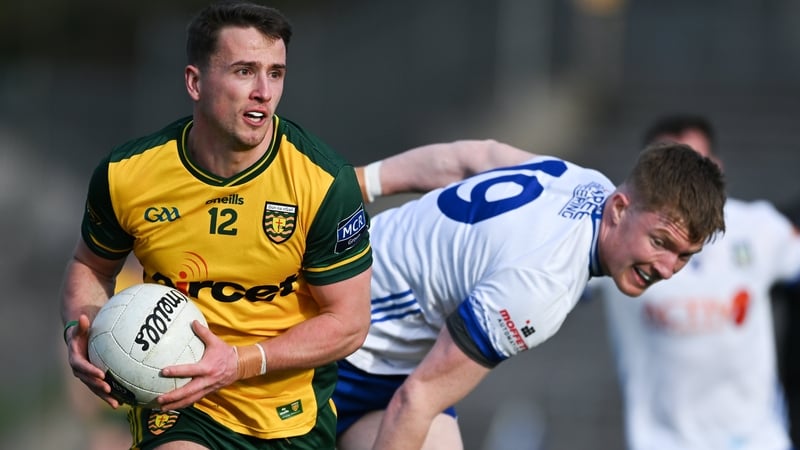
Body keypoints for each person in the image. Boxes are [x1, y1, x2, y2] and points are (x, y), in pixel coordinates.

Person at [59, 2, 372, 449]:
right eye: (245, 71)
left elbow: (350, 322)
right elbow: (89, 265)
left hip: (289, 417)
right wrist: (80, 330)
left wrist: (238, 362)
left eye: (276, 73)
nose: (264, 91)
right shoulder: (126, 174)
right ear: (195, 81)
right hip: (179, 406)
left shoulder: (323, 182)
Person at [332, 138, 727, 450]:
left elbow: (471, 156)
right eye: (660, 242)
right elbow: (414, 401)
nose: (666, 268)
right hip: (332, 342)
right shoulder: (542, 288)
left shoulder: (578, 180)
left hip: (382, 353)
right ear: (620, 210)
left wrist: (364, 181)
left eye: (683, 257)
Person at [590, 114, 800, 450]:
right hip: (661, 443)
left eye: (695, 165)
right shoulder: (616, 234)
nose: (684, 182)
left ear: (716, 168)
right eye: (669, 169)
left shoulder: (758, 229)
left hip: (756, 441)